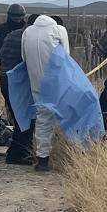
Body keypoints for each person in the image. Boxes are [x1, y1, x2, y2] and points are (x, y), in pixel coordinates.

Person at [21, 14, 70, 171]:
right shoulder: (59, 30)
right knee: (68, 117)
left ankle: (42, 160)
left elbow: (24, 58)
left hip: (36, 82)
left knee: (43, 120)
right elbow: (66, 57)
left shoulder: (27, 32)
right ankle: (71, 156)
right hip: (57, 82)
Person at [0, 14, 39, 165]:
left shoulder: (12, 34)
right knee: (26, 118)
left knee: (19, 117)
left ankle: (19, 151)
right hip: (17, 82)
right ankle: (18, 154)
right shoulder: (29, 38)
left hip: (4, 79)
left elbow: (0, 58)